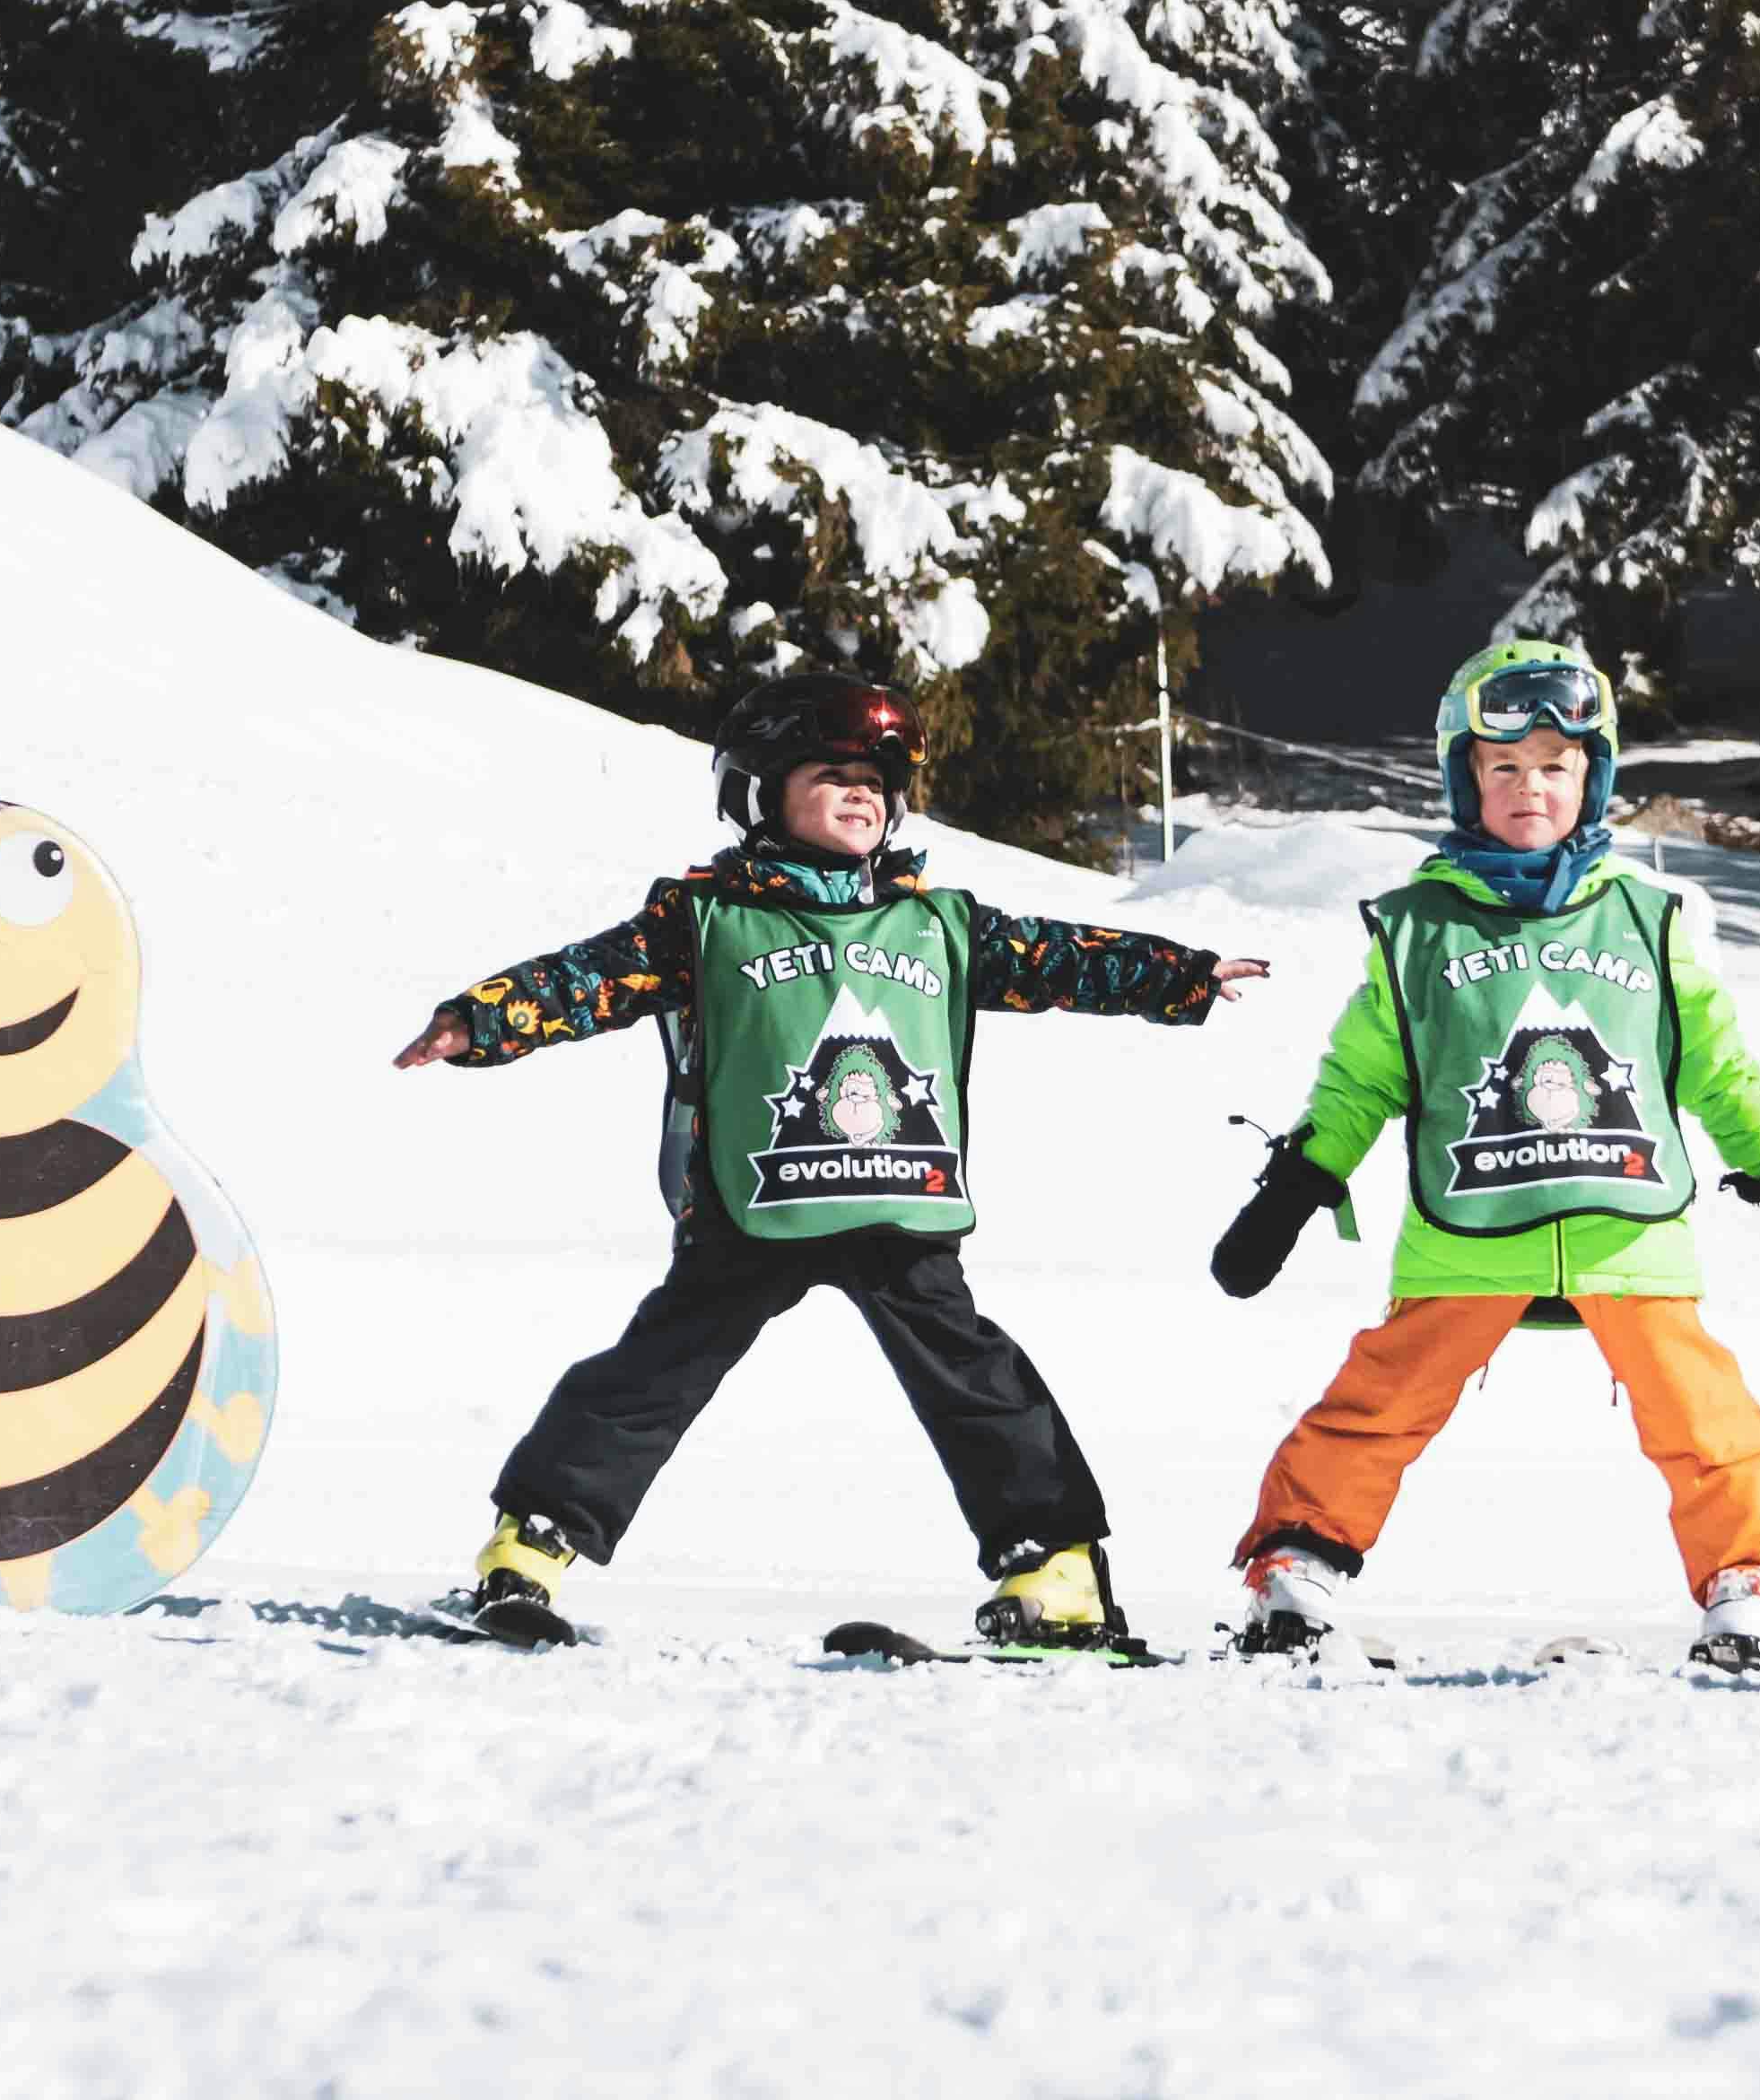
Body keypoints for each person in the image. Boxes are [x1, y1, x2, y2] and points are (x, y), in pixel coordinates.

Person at [392, 671, 1266, 1648]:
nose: (863, 794)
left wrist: (1176, 974)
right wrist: (481, 1020)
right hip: (751, 1207)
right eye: (833, 775)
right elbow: (588, 976)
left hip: (899, 1203)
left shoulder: (938, 923)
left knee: (975, 1382)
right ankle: (530, 1546)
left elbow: (1058, 956)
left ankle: (1056, 1573)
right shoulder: (704, 920)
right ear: (760, 791)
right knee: (651, 1376)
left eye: (877, 782)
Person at [1202, 638, 1760, 1671]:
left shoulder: (1647, 920)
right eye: (1503, 766)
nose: (1530, 788)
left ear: (1592, 776)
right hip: (1468, 1230)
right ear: (1463, 778)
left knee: (1700, 1413)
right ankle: (1292, 1570)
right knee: (1377, 1402)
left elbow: (1714, 1063)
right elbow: (1362, 1078)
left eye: (1555, 766)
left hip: (1625, 1228)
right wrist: (1293, 1188)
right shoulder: (1419, 930)